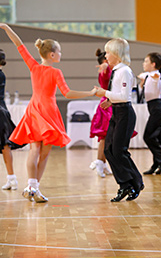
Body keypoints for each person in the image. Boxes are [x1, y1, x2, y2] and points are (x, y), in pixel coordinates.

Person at [0, 23, 96, 203]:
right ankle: (33, 187)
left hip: (35, 109)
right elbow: (67, 93)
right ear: (52, 54)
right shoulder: (56, 72)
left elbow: (19, 44)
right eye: (59, 52)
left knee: (35, 149)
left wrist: (6, 28)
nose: (60, 55)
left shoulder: (34, 67)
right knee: (44, 151)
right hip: (48, 111)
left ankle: (32, 186)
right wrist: (90, 93)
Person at [95, 38, 143, 203]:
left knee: (119, 151)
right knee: (109, 149)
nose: (106, 56)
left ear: (116, 53)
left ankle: (135, 183)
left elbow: (124, 96)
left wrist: (104, 93)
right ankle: (124, 184)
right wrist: (110, 101)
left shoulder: (124, 71)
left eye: (108, 52)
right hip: (117, 112)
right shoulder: (116, 70)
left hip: (125, 114)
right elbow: (119, 95)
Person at [139, 52, 161, 175]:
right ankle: (156, 164)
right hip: (155, 109)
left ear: (153, 64)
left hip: (157, 109)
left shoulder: (155, 74)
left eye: (146, 61)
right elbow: (142, 75)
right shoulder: (148, 75)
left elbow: (156, 75)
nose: (144, 63)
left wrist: (152, 75)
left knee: (148, 136)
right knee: (158, 138)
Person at [0, 48, 24, 190]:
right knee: (5, 146)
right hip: (3, 111)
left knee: (5, 145)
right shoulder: (2, 74)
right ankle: (12, 178)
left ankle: (12, 179)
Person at [89, 49, 114, 178]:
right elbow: (106, 74)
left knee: (107, 137)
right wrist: (105, 67)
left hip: (109, 103)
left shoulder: (109, 70)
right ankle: (99, 162)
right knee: (104, 137)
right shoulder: (106, 70)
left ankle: (103, 163)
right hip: (106, 105)